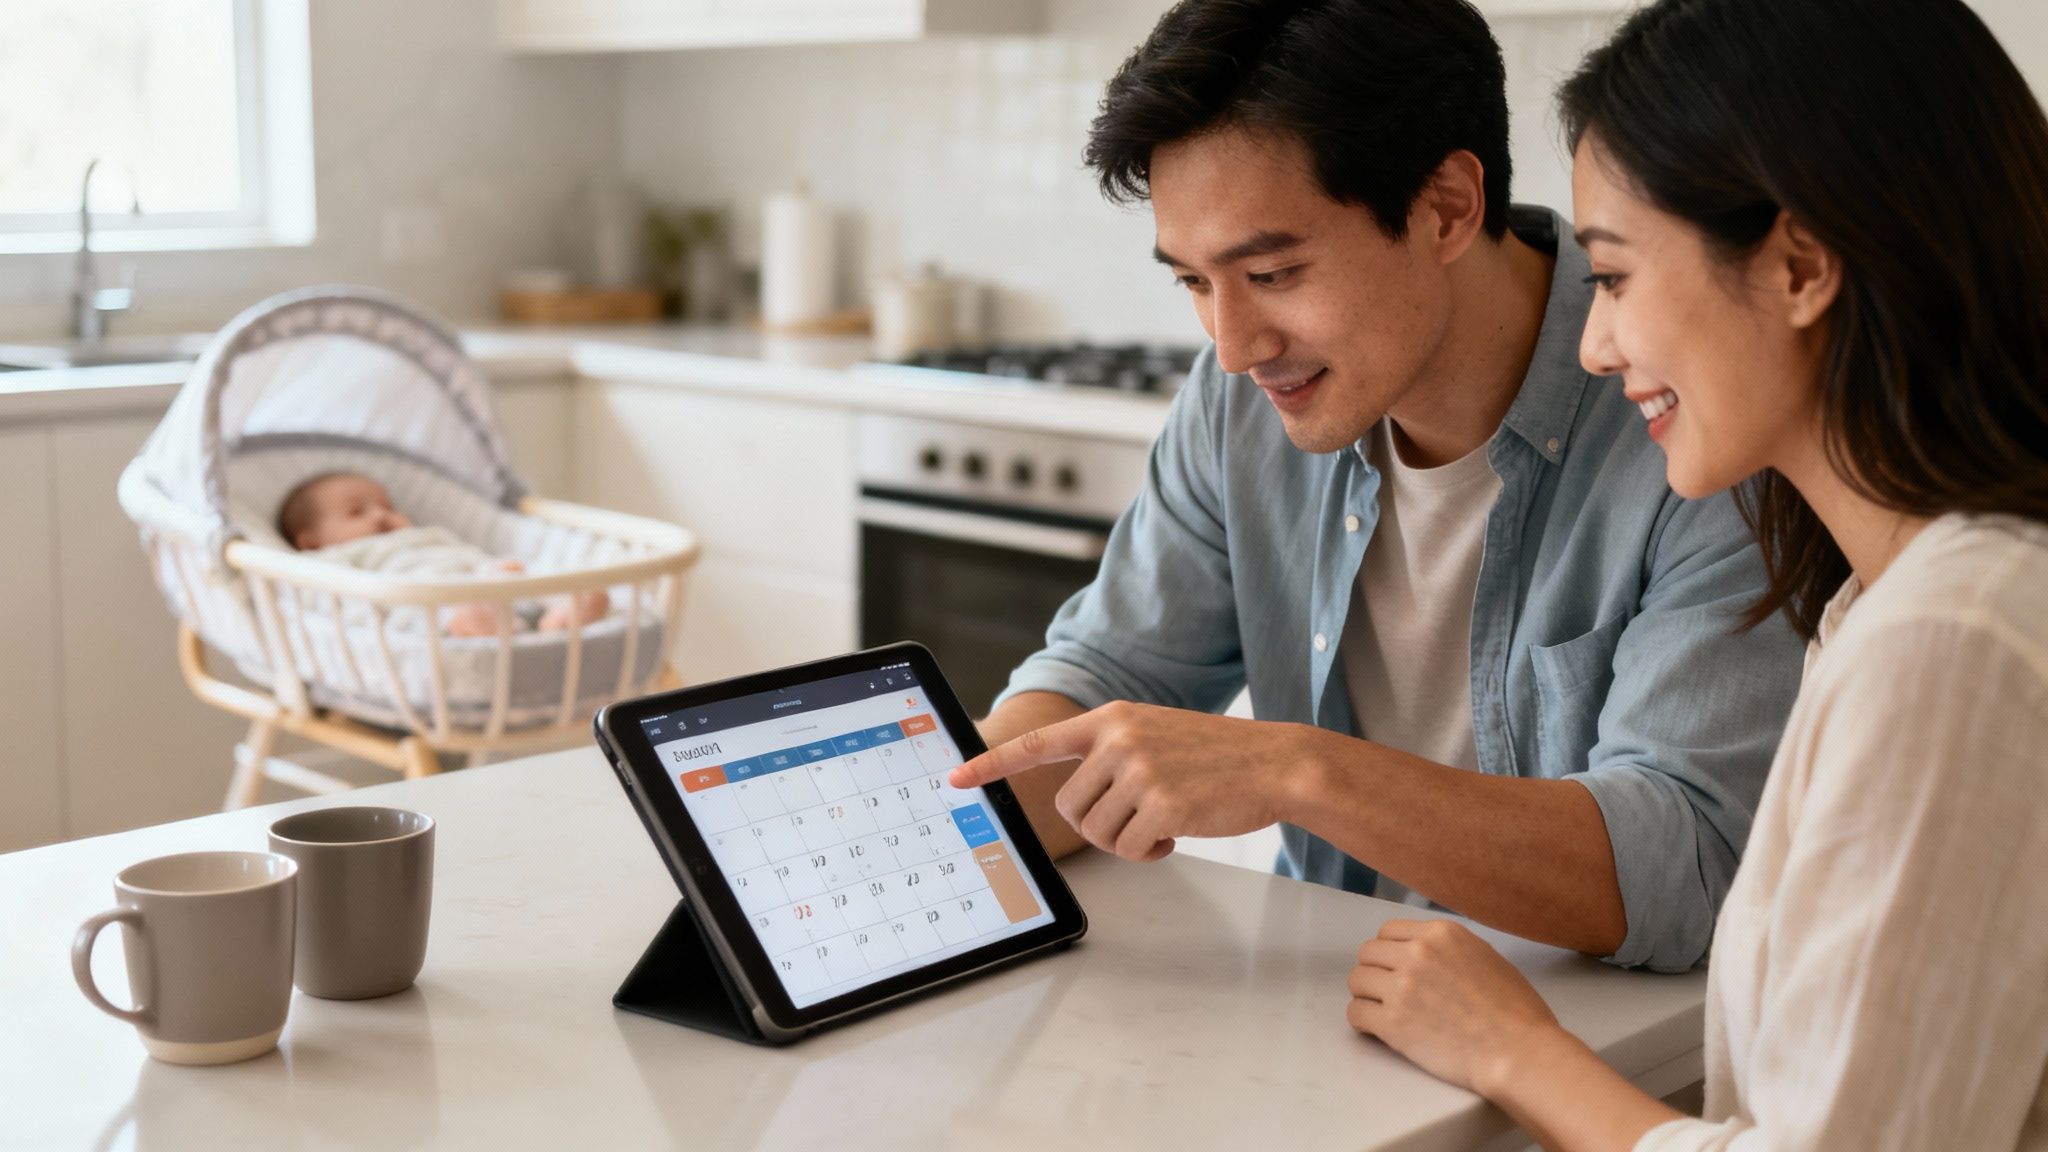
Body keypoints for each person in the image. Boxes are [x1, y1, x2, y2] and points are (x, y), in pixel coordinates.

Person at [948, 0, 1805, 971]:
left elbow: (1686, 863)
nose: (1229, 346)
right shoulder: (1242, 399)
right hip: (1337, 1016)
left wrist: (1297, 772)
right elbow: (1107, 678)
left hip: (1597, 1055)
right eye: (1190, 281)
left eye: (1270, 271)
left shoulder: (1693, 412)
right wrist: (903, 829)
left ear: (1444, 206)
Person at [1341, 0, 2048, 1146]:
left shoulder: (1950, 644)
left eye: (1611, 276)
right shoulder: (1899, 601)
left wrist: (1512, 1051)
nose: (1591, 341)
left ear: (1800, 266)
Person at [277, 471, 607, 635]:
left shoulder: (427, 535)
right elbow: (340, 604)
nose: (380, 515)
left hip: (484, 580)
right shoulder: (330, 562)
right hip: (426, 599)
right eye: (356, 512)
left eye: (387, 507)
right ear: (312, 542)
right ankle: (487, 625)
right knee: (414, 613)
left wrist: (496, 570)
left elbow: (469, 555)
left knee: (531, 572)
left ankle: (563, 612)